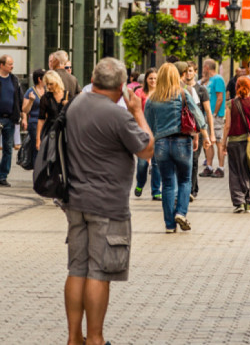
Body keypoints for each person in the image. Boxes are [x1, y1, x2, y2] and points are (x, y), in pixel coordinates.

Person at [63, 58, 154, 345]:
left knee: (77, 269)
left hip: (75, 200)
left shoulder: (76, 104)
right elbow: (147, 149)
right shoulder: (118, 115)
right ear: (122, 86)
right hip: (107, 204)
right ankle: (96, 339)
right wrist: (138, 112)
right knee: (99, 272)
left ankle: (74, 337)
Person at [144, 63, 201, 233]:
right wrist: (203, 135)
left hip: (161, 144)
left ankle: (169, 225)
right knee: (185, 180)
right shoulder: (183, 93)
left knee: (168, 184)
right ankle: (181, 212)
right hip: (183, 142)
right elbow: (197, 115)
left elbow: (147, 126)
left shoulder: (152, 99)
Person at [223, 76, 250, 212]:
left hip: (235, 142)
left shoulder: (231, 104)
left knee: (235, 172)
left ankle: (239, 202)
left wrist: (223, 143)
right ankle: (248, 202)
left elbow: (227, 125)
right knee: (249, 172)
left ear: (236, 87)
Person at [0, 55, 23, 187]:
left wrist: (21, 115)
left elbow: (19, 98)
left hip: (10, 119)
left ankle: (3, 177)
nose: (12, 66)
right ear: (1, 65)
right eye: (9, 64)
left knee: (8, 148)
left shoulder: (14, 80)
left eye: (12, 64)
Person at [179, 62, 212, 201]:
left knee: (193, 160)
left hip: (196, 130)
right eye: (186, 71)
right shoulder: (180, 89)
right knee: (185, 162)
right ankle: (191, 187)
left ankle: (192, 189)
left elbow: (207, 112)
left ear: (195, 72)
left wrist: (210, 135)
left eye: (190, 71)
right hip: (183, 129)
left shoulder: (200, 90)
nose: (188, 73)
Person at [133, 68, 162, 200]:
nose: (153, 81)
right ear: (146, 80)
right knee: (142, 164)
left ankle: (156, 191)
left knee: (156, 163)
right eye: (150, 78)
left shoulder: (161, 93)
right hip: (143, 132)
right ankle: (140, 183)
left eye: (155, 78)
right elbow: (136, 110)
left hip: (158, 131)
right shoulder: (139, 92)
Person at [200, 59, 227, 178]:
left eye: (203, 66)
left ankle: (221, 167)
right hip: (208, 115)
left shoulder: (218, 79)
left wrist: (215, 113)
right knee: (209, 141)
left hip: (216, 116)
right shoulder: (209, 80)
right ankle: (209, 166)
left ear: (206, 67)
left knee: (219, 141)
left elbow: (220, 98)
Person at [37, 70, 70, 151]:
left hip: (65, 131)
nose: (48, 87)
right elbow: (41, 119)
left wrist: (68, 105)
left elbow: (75, 115)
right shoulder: (45, 98)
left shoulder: (68, 95)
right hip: (50, 130)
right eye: (47, 84)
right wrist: (38, 139)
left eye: (51, 84)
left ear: (57, 82)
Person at [22, 68, 46, 165]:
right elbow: (25, 110)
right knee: (37, 148)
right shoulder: (30, 91)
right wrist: (31, 101)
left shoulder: (47, 90)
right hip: (35, 123)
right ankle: (37, 171)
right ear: (40, 79)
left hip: (46, 123)